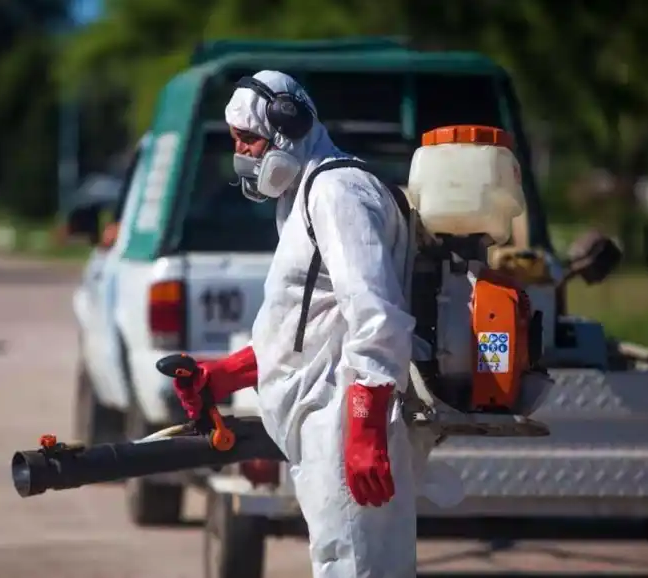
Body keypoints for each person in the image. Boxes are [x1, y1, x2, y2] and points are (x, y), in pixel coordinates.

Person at [171, 70, 463, 578]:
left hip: (343, 418)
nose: (243, 155)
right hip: (321, 423)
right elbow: (307, 328)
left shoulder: (337, 192)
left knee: (356, 566)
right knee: (341, 562)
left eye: (249, 140)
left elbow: (376, 313)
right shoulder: (303, 197)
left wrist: (366, 429)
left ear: (288, 127)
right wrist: (225, 374)